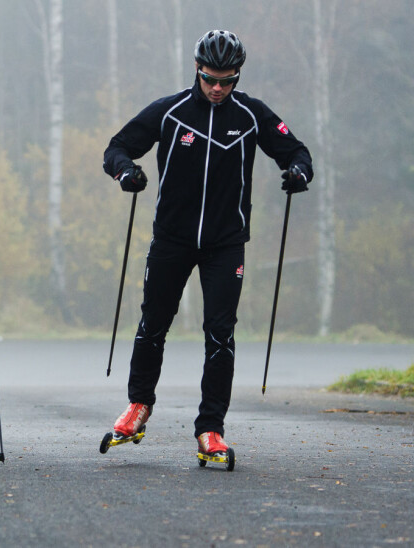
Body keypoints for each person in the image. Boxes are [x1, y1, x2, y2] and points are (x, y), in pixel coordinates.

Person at [102, 30, 313, 460]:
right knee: (153, 324)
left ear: (237, 76)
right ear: (197, 70)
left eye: (227, 80)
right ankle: (139, 406)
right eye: (210, 78)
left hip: (225, 244)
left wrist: (298, 173)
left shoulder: (251, 115)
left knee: (220, 335)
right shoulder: (171, 111)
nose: (217, 88)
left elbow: (297, 152)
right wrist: (127, 173)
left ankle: (210, 430)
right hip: (172, 240)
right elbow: (117, 147)